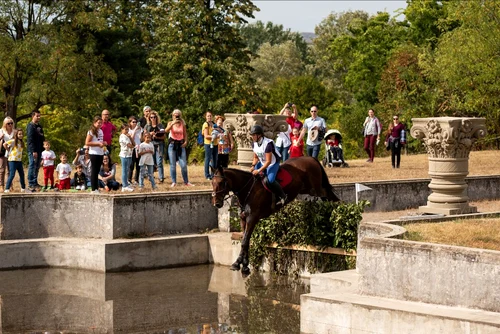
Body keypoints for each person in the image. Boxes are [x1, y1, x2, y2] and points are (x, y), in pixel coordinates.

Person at [249, 125, 286, 206]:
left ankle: (283, 195)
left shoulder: (268, 144)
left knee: (270, 180)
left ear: (259, 135)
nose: (253, 137)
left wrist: (258, 170)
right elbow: (256, 157)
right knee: (252, 176)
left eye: (254, 135)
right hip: (263, 162)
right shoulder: (254, 144)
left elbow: (268, 161)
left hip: (273, 162)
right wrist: (252, 166)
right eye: (252, 135)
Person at [165, 109, 193, 187]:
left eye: (178, 115)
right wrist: (172, 123)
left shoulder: (182, 123)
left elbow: (185, 133)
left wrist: (186, 142)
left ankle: (186, 181)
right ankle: (174, 181)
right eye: (175, 115)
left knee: (183, 164)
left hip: (180, 144)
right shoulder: (170, 123)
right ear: (172, 116)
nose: (176, 116)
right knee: (172, 164)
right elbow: (166, 131)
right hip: (172, 144)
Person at [85, 116, 107, 193]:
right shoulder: (91, 131)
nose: (100, 124)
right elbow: (87, 142)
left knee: (97, 171)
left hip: (100, 152)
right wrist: (98, 144)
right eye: (98, 123)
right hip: (94, 153)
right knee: (94, 171)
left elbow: (100, 140)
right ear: (94, 123)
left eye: (101, 123)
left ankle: (96, 188)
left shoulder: (100, 131)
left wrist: (103, 143)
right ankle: (93, 189)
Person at [4, 129, 29, 193]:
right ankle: (7, 188)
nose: (21, 135)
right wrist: (8, 150)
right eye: (19, 134)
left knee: (22, 174)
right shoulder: (13, 141)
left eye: (22, 134)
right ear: (16, 135)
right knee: (12, 174)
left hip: (19, 161)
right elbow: (5, 144)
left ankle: (23, 188)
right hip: (12, 160)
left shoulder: (21, 142)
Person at [144, 110, 166, 183]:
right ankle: (151, 177)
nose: (153, 118)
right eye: (151, 117)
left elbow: (164, 136)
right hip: (150, 145)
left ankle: (161, 177)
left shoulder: (160, 126)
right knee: (151, 162)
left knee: (159, 161)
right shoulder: (147, 126)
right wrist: (150, 134)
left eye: (154, 117)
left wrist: (156, 136)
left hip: (159, 144)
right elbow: (143, 136)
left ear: (157, 118)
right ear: (149, 118)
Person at [27, 110, 45, 191]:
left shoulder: (39, 126)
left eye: (39, 116)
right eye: (37, 116)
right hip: (33, 150)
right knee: (32, 166)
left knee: (37, 167)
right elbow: (30, 140)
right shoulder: (30, 126)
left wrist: (43, 149)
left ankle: (35, 182)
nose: (39, 117)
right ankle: (31, 183)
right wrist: (33, 151)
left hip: (39, 149)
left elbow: (42, 138)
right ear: (33, 116)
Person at [119, 124, 135, 192]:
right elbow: (129, 145)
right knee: (124, 170)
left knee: (127, 170)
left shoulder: (127, 136)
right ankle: (124, 185)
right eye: (125, 129)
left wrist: (131, 138)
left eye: (128, 129)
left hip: (129, 154)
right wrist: (133, 146)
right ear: (122, 130)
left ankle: (126, 183)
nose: (127, 131)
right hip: (124, 155)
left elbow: (133, 144)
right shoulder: (122, 136)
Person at [0, 117, 15, 191]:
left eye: (11, 123)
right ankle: (1, 185)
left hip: (12, 152)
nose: (10, 124)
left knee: (10, 170)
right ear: (5, 124)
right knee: (2, 169)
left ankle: (10, 185)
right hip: (3, 152)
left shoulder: (14, 132)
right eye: (8, 123)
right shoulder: (1, 131)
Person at [202, 111, 218, 180]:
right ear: (206, 117)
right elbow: (206, 135)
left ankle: (213, 174)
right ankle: (207, 174)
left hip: (215, 143)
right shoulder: (206, 124)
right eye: (208, 116)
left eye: (210, 116)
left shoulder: (214, 124)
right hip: (208, 144)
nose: (209, 117)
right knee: (208, 159)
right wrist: (213, 137)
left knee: (215, 159)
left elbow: (217, 132)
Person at [128, 116, 142, 185]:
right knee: (131, 164)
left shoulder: (139, 129)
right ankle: (129, 179)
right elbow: (131, 138)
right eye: (133, 122)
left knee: (138, 165)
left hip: (139, 148)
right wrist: (135, 130)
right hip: (132, 148)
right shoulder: (129, 130)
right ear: (130, 123)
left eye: (136, 122)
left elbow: (141, 138)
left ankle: (136, 180)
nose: (135, 123)